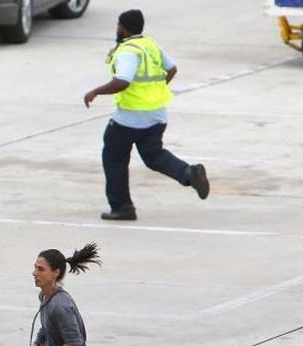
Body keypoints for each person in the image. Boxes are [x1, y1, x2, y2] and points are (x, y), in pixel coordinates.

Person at [83, 8, 209, 221]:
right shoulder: (150, 45)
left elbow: (123, 81)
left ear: (122, 28)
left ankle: (122, 207)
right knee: (153, 155)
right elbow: (172, 69)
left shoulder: (128, 52)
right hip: (157, 115)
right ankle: (188, 173)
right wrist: (156, 90)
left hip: (130, 118)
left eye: (118, 25)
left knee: (113, 158)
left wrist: (96, 91)